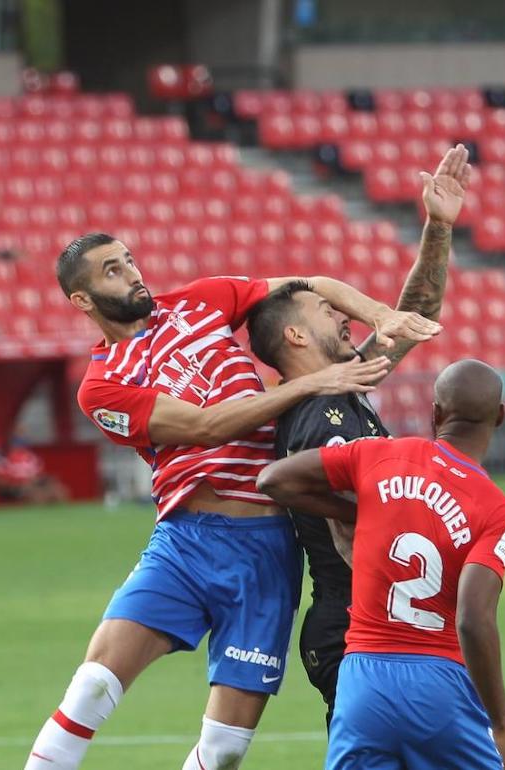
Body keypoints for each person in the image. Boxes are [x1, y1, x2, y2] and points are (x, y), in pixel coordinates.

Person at [24, 232, 439, 770]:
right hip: (186, 543)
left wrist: (380, 313)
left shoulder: (200, 301)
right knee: (92, 687)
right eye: (111, 270)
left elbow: (311, 284)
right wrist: (311, 384)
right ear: (81, 299)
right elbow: (205, 426)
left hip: (268, 549)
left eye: (128, 261)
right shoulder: (101, 388)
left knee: (224, 750)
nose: (132, 274)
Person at [248, 145, 468, 728]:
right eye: (327, 310)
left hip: (368, 621)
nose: (346, 316)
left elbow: (414, 316)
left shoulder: (340, 389)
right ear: (296, 336)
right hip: (356, 624)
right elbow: (348, 527)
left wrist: (438, 227)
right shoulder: (315, 414)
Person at [258, 359, 505, 770]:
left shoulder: (377, 455)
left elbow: (272, 479)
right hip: (439, 685)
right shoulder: (500, 514)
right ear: (500, 416)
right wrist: (504, 728)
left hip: (362, 679)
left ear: (435, 413)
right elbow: (473, 619)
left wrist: (356, 512)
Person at [0, 436, 69, 504]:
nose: (19, 448)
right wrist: (14, 483)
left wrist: (44, 479)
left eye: (21, 446)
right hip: (16, 487)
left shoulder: (31, 457)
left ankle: (62, 510)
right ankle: (38, 512)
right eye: (17, 446)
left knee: (56, 487)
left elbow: (39, 474)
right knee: (35, 491)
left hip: (34, 482)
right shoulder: (5, 459)